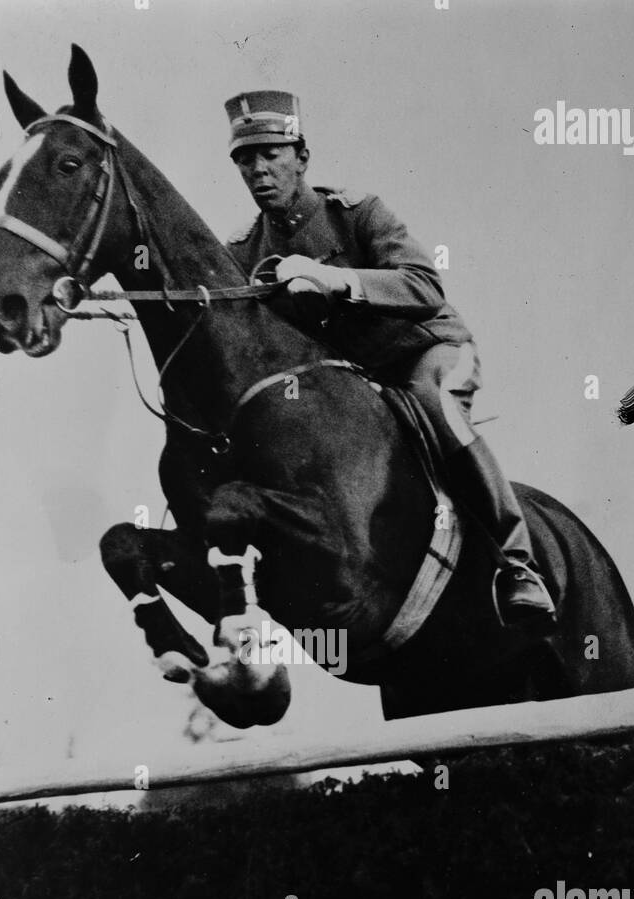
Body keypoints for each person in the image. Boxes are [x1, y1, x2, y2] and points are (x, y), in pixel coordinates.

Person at [222, 90, 556, 632]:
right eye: (245, 158)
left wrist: (338, 279)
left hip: (429, 352)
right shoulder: (242, 252)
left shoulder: (357, 213)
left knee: (435, 402)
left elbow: (424, 284)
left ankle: (519, 564)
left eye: (272, 153)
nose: (259, 169)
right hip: (358, 383)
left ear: (301, 156)